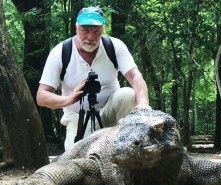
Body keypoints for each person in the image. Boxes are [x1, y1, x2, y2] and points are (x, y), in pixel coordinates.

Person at [37, 6, 151, 151]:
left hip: (110, 111)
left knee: (127, 94)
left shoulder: (114, 47)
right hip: (78, 117)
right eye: (85, 30)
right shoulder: (61, 52)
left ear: (103, 30)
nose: (90, 37)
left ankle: (131, 144)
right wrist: (69, 99)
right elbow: (42, 96)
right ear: (76, 28)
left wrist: (143, 105)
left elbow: (135, 77)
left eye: (96, 31)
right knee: (73, 161)